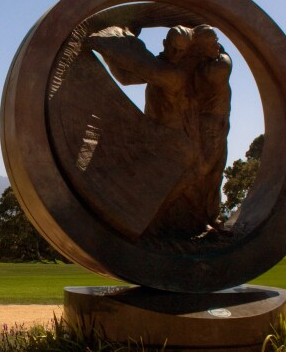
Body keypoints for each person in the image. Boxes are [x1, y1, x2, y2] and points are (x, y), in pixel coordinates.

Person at [87, 23, 232, 237]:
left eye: (181, 51)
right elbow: (127, 77)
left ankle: (197, 220)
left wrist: (102, 42)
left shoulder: (190, 72)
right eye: (173, 48)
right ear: (165, 44)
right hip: (164, 139)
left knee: (204, 176)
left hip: (187, 139)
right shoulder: (170, 69)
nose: (176, 54)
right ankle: (167, 220)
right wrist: (105, 49)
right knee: (195, 175)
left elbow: (142, 67)